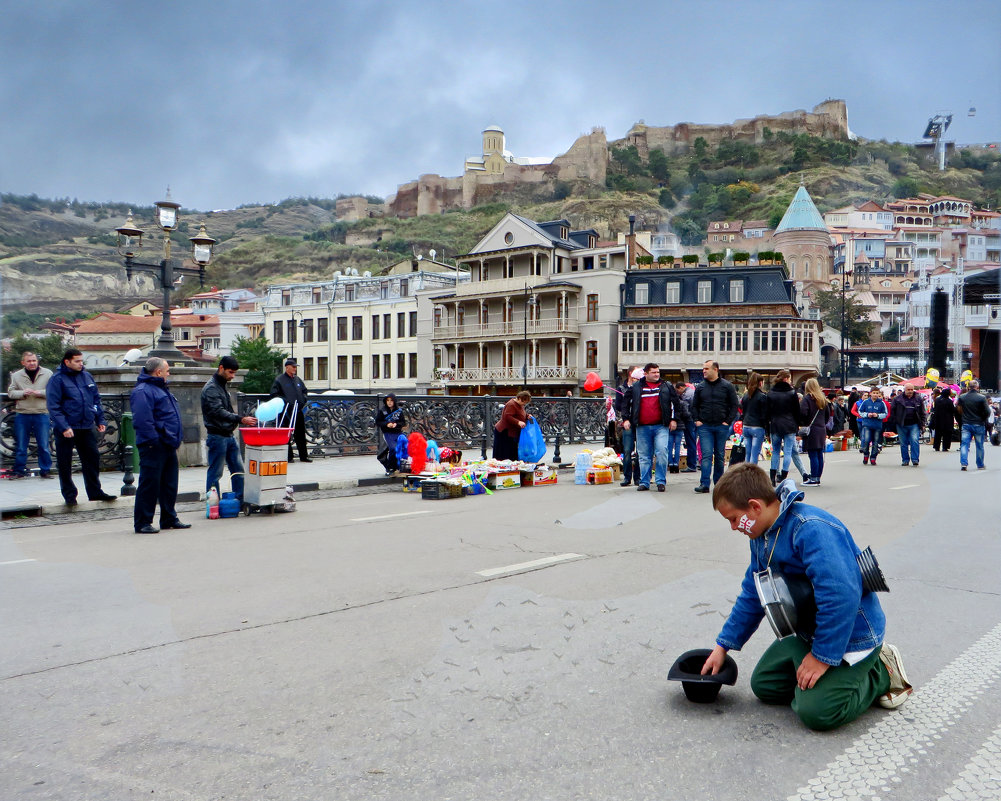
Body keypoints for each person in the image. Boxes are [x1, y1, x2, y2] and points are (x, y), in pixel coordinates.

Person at [700, 463, 912, 731]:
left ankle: (880, 671)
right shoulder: (761, 535)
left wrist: (822, 657)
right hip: (809, 632)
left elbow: (840, 596)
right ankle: (824, 675)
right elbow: (753, 592)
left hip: (852, 637)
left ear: (754, 507)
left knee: (817, 712)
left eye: (733, 518)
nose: (733, 527)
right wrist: (722, 647)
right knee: (765, 685)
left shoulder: (810, 529)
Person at [46, 348, 117, 506]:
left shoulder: (86, 376)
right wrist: (64, 426)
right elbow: (53, 406)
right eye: (77, 361)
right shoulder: (57, 379)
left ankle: (95, 492)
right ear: (67, 361)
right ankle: (69, 495)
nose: (80, 364)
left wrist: (100, 420)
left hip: (86, 425)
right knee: (65, 462)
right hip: (67, 428)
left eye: (81, 361)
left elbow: (95, 400)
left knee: (92, 459)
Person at [130, 357, 188, 534]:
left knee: (169, 484)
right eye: (167, 370)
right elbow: (143, 420)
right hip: (154, 444)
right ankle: (142, 522)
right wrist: (154, 440)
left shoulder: (161, 389)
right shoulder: (143, 391)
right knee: (150, 484)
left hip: (168, 443)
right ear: (158, 372)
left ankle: (169, 517)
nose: (169, 373)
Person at [622, 363, 686, 492]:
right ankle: (644, 482)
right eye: (654, 372)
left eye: (658, 372)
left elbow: (676, 404)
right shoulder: (636, 387)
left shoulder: (666, 386)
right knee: (644, 456)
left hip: (661, 426)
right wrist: (626, 419)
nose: (657, 374)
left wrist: (674, 420)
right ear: (646, 374)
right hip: (642, 427)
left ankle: (660, 481)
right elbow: (625, 403)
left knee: (662, 452)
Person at [201, 356, 258, 502]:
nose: (232, 376)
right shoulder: (211, 388)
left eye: (234, 373)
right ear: (221, 368)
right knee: (215, 473)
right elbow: (218, 411)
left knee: (238, 470)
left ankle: (240, 500)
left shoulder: (220, 385)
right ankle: (213, 503)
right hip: (217, 435)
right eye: (230, 372)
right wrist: (240, 419)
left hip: (228, 435)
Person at [692, 360, 739, 494]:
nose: (704, 371)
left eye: (707, 368)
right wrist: (697, 420)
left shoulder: (727, 386)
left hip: (721, 426)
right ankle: (704, 484)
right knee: (706, 455)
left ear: (716, 369)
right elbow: (694, 405)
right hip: (705, 426)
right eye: (703, 369)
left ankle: (719, 484)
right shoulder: (700, 387)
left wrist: (728, 421)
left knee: (719, 455)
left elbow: (734, 405)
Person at [7, 351, 53, 479]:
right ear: (23, 362)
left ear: (37, 361)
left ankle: (45, 470)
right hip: (23, 414)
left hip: (42, 413)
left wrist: (41, 392)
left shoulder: (47, 373)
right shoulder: (16, 375)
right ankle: (19, 471)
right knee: (21, 445)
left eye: (34, 360)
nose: (32, 363)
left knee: (44, 445)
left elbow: (53, 391)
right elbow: (11, 392)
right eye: (29, 361)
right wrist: (22, 393)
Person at [270, 358, 312, 462]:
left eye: (295, 367)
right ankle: (289, 457)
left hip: (298, 410)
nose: (295, 369)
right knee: (286, 434)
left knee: (300, 434)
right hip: (286, 412)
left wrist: (303, 400)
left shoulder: (297, 379)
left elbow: (304, 391)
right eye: (293, 367)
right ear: (287, 367)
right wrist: (285, 402)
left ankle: (304, 456)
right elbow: (274, 394)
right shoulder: (279, 380)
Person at [766, 369, 803, 486]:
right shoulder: (792, 393)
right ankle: (783, 475)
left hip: (775, 424)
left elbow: (767, 412)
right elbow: (797, 411)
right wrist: (797, 425)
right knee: (787, 452)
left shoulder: (771, 393)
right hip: (789, 425)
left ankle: (772, 476)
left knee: (775, 451)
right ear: (786, 379)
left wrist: (768, 427)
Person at [800, 378, 831, 485]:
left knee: (812, 454)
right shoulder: (823, 399)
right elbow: (828, 415)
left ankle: (813, 478)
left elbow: (803, 413)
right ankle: (817, 477)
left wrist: (804, 422)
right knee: (819, 454)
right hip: (821, 428)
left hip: (811, 429)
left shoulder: (807, 399)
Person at [614, 367, 641, 486]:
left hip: (641, 423)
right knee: (627, 450)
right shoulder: (623, 388)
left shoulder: (642, 389)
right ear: (631, 375)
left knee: (640, 452)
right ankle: (627, 477)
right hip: (628, 423)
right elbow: (621, 406)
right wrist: (625, 419)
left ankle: (638, 477)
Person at [956, 379, 990, 471]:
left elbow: (958, 409)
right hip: (979, 424)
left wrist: (963, 417)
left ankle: (964, 464)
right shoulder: (981, 398)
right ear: (977, 387)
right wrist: (983, 418)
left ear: (968, 387)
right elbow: (987, 411)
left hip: (966, 423)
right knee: (979, 445)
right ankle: (980, 464)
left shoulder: (962, 397)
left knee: (964, 444)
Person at [891, 384, 926, 467]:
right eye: (908, 390)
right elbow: (893, 412)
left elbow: (922, 412)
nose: (910, 391)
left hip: (914, 424)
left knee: (914, 441)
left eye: (911, 389)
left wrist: (923, 423)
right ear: (904, 390)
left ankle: (915, 459)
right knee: (903, 443)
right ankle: (905, 460)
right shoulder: (897, 399)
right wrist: (894, 423)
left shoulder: (918, 399)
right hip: (901, 424)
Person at [853, 388, 889, 466]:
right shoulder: (866, 402)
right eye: (874, 393)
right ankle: (866, 454)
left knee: (875, 442)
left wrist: (878, 415)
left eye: (877, 393)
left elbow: (885, 413)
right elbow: (860, 411)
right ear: (870, 393)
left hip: (877, 426)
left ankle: (873, 457)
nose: (875, 394)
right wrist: (866, 415)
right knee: (866, 440)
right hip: (867, 425)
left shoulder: (882, 403)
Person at [739, 372, 769, 466]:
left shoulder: (746, 396)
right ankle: (752, 473)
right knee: (754, 454)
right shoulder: (762, 397)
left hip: (746, 426)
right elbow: (764, 415)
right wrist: (767, 430)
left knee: (748, 454)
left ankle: (746, 473)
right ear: (760, 383)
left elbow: (742, 411)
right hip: (757, 426)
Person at [492, 391, 532, 460]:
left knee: (511, 451)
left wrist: (527, 416)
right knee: (504, 452)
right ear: (519, 398)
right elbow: (507, 416)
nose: (524, 404)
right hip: (504, 431)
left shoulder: (519, 405)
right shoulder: (511, 404)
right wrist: (518, 422)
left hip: (511, 432)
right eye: (523, 402)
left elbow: (519, 414)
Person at [375, 393, 406, 475]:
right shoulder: (382, 410)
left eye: (391, 400)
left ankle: (399, 466)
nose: (389, 402)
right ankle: (390, 467)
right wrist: (386, 424)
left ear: (394, 401)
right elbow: (378, 422)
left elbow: (403, 423)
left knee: (403, 447)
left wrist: (396, 424)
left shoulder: (399, 411)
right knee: (393, 448)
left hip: (397, 433)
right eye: (388, 400)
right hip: (388, 433)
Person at [676, 381, 698, 473]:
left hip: (690, 421)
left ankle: (691, 465)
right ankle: (694, 463)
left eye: (678, 391)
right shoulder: (692, 392)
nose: (678, 393)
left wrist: (686, 417)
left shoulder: (686, 395)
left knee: (690, 442)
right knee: (693, 441)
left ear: (681, 387)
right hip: (695, 420)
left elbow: (686, 410)